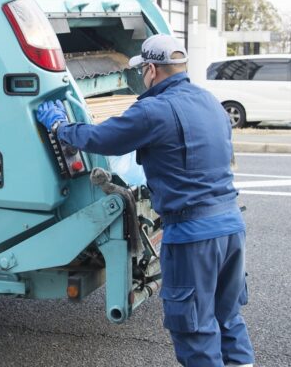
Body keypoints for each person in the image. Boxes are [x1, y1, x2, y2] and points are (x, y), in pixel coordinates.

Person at [36, 34, 254, 367]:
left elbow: (100, 138)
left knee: (195, 329)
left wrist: (60, 126)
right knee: (227, 319)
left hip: (194, 234)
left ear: (151, 69)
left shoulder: (154, 110)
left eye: (144, 71)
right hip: (231, 227)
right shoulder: (209, 101)